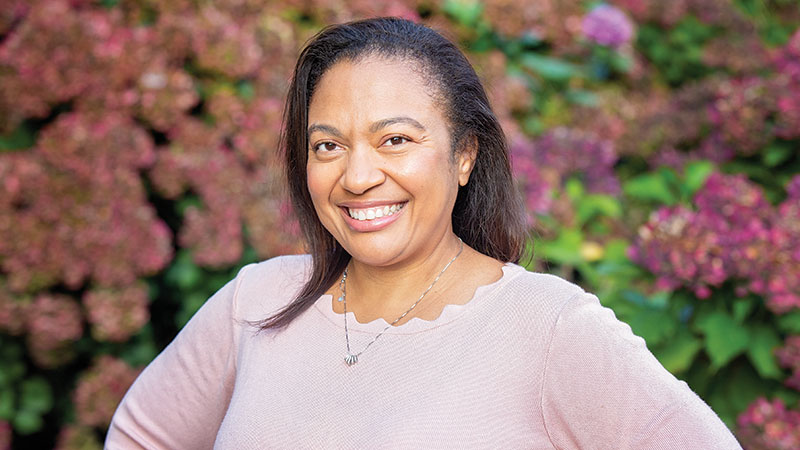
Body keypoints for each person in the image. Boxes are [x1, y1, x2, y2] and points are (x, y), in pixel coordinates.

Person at [106, 17, 742, 449]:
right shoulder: (255, 303)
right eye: (327, 145)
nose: (357, 176)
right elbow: (139, 437)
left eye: (396, 140)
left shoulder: (549, 330)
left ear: (464, 154)